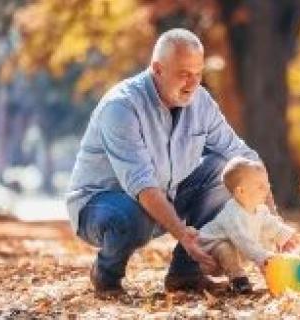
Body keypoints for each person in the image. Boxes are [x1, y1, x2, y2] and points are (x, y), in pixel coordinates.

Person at [66, 28, 270, 297]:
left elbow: (239, 153)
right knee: (133, 215)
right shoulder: (122, 107)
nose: (192, 83)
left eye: (198, 74)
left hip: (164, 195)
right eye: (184, 74)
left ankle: (186, 275)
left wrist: (268, 206)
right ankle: (106, 275)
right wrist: (186, 238)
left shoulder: (201, 101)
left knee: (228, 169)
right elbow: (143, 186)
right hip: (102, 205)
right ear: (157, 69)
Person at [197, 157, 300, 293]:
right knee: (225, 249)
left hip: (237, 246)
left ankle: (274, 275)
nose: (267, 189)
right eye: (260, 186)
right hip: (208, 249)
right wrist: (264, 256)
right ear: (240, 192)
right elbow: (243, 240)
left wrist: (285, 235)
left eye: (267, 184)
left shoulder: (260, 209)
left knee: (264, 239)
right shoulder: (231, 214)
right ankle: (238, 279)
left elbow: (270, 224)